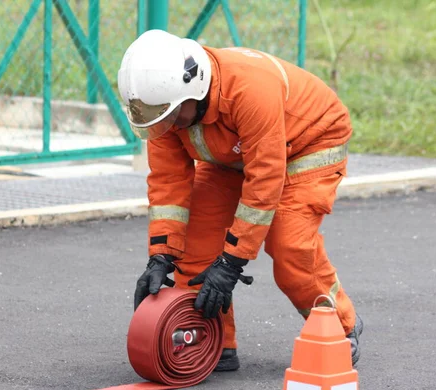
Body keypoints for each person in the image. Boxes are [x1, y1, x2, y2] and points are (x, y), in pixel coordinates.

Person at [118, 29, 363, 372]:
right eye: (158, 117)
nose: (166, 125)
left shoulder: (249, 90)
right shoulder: (166, 109)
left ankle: (337, 327)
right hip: (236, 154)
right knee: (195, 240)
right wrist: (160, 256)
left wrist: (232, 263)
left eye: (171, 115)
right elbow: (168, 185)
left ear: (195, 89)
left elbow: (264, 182)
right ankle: (211, 339)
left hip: (307, 144)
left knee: (289, 246)